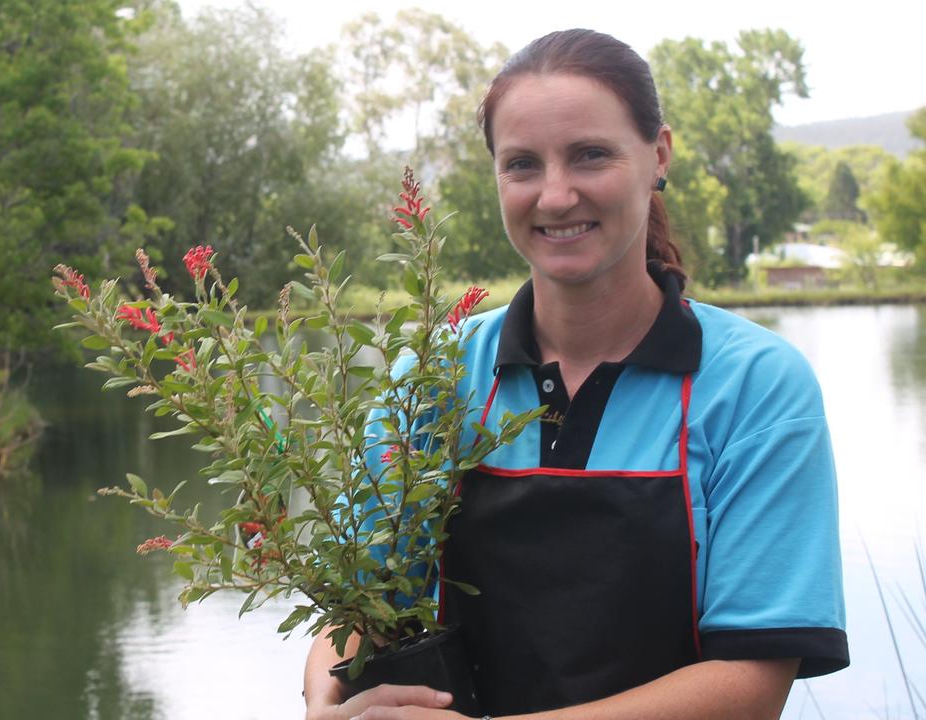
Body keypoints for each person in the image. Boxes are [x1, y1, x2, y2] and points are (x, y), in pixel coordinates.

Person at [302, 29, 847, 720]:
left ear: (659, 156)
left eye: (590, 155)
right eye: (523, 164)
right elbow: (355, 604)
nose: (556, 196)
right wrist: (325, 698)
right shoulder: (431, 378)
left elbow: (751, 686)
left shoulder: (755, 387)